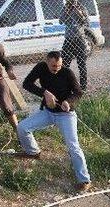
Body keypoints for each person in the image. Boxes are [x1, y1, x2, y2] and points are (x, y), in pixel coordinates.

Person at [17, 51, 91, 192]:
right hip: (48, 112)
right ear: (46, 61)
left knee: (73, 147)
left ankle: (84, 180)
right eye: (53, 66)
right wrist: (44, 92)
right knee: (22, 127)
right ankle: (33, 152)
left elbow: (78, 92)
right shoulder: (40, 67)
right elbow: (26, 84)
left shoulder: (67, 72)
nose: (56, 69)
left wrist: (68, 102)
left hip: (66, 115)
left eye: (58, 66)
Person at [60, 0, 90, 91]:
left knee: (82, 64)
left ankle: (83, 88)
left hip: (79, 39)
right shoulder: (65, 8)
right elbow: (61, 21)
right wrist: (66, 12)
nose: (72, 2)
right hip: (68, 40)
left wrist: (80, 14)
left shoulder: (82, 8)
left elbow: (87, 23)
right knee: (64, 65)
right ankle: (65, 86)